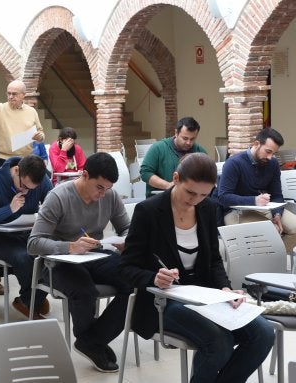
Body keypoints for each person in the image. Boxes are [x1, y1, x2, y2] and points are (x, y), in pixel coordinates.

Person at [120, 153, 274, 382]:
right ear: (176, 178)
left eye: (204, 194)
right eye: (190, 192)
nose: (195, 200)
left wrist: (224, 288)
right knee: (219, 342)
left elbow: (213, 259)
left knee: (263, 333)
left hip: (205, 296)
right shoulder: (149, 211)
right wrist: (154, 277)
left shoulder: (208, 209)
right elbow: (126, 268)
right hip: (163, 299)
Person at [27, 152, 132, 372]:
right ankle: (94, 342)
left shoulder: (109, 196)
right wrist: (69, 247)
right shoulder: (58, 197)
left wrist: (127, 240)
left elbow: (126, 227)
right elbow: (33, 244)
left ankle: (93, 340)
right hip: (58, 262)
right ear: (84, 175)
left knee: (136, 281)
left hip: (95, 255)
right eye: (99, 187)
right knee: (84, 291)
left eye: (108, 189)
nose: (102, 194)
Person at [0, 155, 52, 319]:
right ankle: (32, 300)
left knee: (51, 255)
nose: (26, 192)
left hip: (27, 234)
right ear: (16, 170)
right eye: (24, 186)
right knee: (24, 257)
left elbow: (54, 207)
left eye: (32, 189)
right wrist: (9, 209)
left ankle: (29, 300)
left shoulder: (41, 181)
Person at [218, 128, 296, 251]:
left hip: (265, 208)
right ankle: (267, 259)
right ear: (256, 144)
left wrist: (277, 214)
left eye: (274, 153)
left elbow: (277, 195)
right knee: (272, 232)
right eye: (268, 151)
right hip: (235, 211)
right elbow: (223, 197)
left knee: (294, 226)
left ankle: (275, 259)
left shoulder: (273, 164)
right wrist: (254, 200)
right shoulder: (234, 163)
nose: (270, 157)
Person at [140, 117, 206, 197]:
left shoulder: (200, 152)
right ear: (176, 133)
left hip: (191, 201)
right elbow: (145, 173)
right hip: (160, 200)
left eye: (192, 139)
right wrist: (168, 185)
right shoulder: (158, 148)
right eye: (185, 138)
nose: (188, 143)